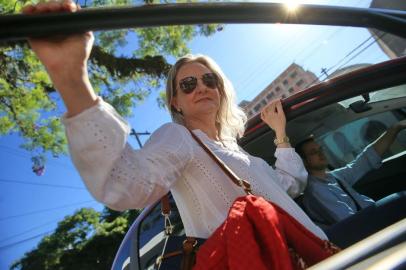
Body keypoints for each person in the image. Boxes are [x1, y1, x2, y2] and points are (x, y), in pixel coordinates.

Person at [22, 0, 327, 244]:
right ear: (175, 102)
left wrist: (280, 134)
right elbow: (123, 185)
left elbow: (290, 185)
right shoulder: (179, 138)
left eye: (209, 79)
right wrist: (70, 76)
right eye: (188, 85)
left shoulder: (237, 150)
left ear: (220, 88)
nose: (202, 87)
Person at [295, 121, 406, 247]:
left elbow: (364, 161)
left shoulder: (333, 177)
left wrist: (394, 128)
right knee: (401, 199)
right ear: (303, 162)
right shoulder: (315, 190)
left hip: (369, 220)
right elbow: (350, 221)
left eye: (321, 149)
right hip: (364, 232)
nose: (321, 153)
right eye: (314, 152)